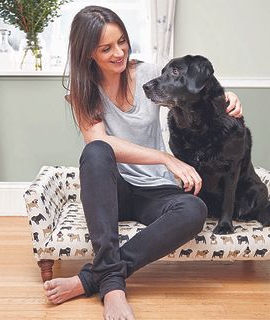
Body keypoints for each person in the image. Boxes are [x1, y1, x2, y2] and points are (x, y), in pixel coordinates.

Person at [43, 6, 243, 320]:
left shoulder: (149, 73)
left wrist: (226, 95)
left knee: (195, 209)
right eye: (106, 48)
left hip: (156, 192)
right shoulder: (84, 92)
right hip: (115, 193)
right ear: (88, 54)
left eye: (122, 41)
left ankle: (90, 278)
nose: (119, 52)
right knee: (95, 152)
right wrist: (164, 157)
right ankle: (112, 288)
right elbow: (101, 142)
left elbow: (195, 91)